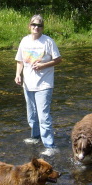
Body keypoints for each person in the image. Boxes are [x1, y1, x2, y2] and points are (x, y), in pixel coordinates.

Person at [15, 15, 62, 156]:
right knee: (32, 114)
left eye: (39, 25)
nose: (36, 27)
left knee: (43, 116)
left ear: (43, 28)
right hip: (28, 84)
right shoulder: (24, 41)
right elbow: (20, 61)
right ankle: (35, 137)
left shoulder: (48, 42)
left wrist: (43, 65)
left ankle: (50, 146)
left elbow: (58, 59)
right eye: (34, 24)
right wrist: (18, 74)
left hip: (44, 84)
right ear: (29, 26)